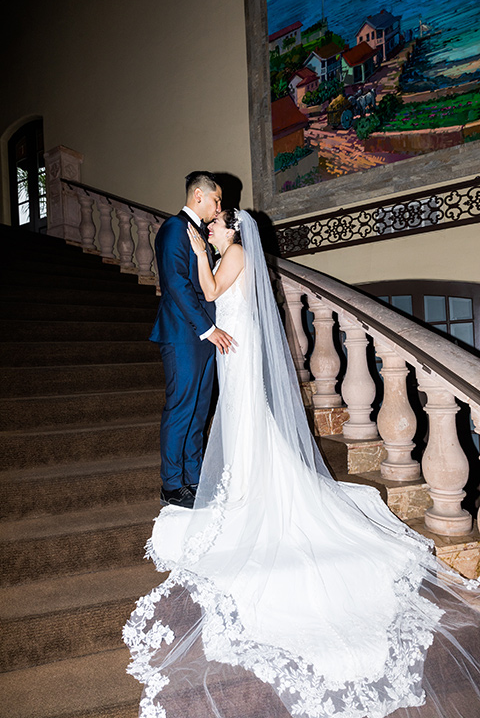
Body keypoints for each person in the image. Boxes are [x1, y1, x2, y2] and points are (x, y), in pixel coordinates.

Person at [125, 210, 480, 718]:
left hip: (237, 355)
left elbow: (206, 292)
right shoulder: (233, 253)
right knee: (243, 422)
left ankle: (252, 488)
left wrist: (202, 255)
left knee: (246, 421)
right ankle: (246, 482)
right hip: (234, 352)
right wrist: (206, 255)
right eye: (216, 223)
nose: (215, 228)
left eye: (221, 224)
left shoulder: (235, 254)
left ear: (234, 231)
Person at [149, 171, 234, 509]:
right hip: (183, 333)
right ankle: (171, 484)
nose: (219, 207)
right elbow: (177, 285)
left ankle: (193, 477)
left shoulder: (202, 235)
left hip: (204, 334)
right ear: (198, 195)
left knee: (199, 410)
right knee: (181, 407)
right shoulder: (173, 229)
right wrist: (208, 328)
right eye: (216, 200)